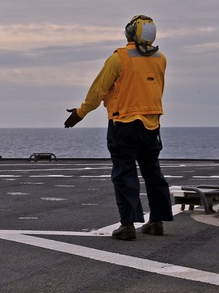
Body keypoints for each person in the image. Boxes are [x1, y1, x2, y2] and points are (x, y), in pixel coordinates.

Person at [64, 15, 173, 240]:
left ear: (132, 32)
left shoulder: (119, 58)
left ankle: (128, 224)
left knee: (124, 173)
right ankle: (157, 221)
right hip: (152, 125)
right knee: (153, 173)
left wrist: (80, 113)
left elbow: (98, 90)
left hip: (123, 123)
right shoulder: (161, 58)